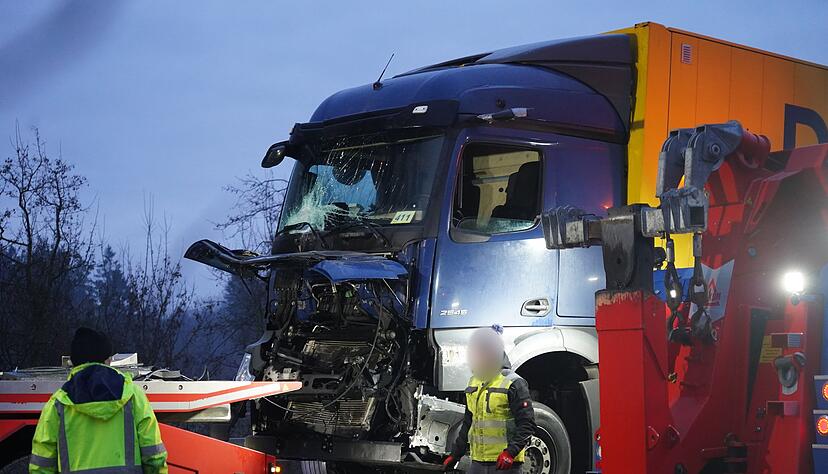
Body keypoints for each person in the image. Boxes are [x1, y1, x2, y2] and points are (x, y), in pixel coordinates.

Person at [29, 327, 168, 473]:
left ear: (74, 361)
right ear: (107, 360)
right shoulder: (133, 396)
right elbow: (154, 456)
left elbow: (41, 465)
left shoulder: (58, 403)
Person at [443, 326, 536, 472]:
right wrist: (455, 454)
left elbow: (527, 424)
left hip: (504, 464)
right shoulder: (474, 382)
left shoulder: (514, 383)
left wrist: (510, 453)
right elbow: (468, 423)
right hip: (478, 463)